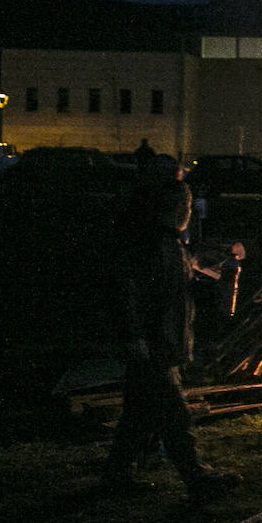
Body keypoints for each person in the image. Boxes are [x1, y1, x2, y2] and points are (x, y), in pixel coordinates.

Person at [103, 154, 239, 501]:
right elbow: (127, 292)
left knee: (138, 413)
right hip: (153, 344)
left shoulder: (170, 243)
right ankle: (197, 478)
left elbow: (177, 289)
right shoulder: (148, 243)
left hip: (161, 341)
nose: (188, 212)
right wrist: (135, 337)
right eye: (185, 206)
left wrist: (209, 276)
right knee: (175, 414)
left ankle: (115, 476)